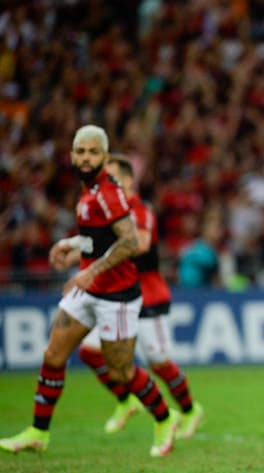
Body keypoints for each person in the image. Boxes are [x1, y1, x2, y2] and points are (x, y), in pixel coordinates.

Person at [0, 125, 180, 457]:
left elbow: (130, 242)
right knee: (53, 356)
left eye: (93, 152)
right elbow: (98, 239)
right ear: (71, 155)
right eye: (80, 151)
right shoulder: (88, 191)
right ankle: (38, 432)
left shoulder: (108, 193)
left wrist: (90, 271)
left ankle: (165, 419)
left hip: (117, 296)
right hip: (88, 289)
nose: (85, 158)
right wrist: (71, 245)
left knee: (121, 372)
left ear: (104, 156)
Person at [77, 154, 205, 439]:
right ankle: (126, 400)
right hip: (116, 297)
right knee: (89, 351)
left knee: (159, 362)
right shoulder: (105, 211)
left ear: (127, 181)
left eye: (110, 178)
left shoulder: (140, 210)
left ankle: (189, 410)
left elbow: (142, 244)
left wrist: (105, 248)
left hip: (148, 296)